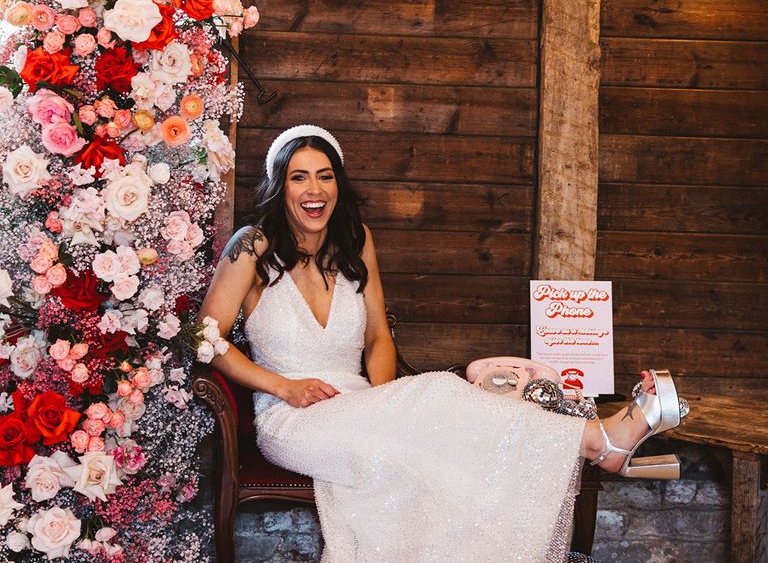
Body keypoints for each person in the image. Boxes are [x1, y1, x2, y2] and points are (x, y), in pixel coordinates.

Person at [199, 125, 683, 563]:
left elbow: (377, 336)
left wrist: (383, 399)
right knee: (436, 400)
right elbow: (206, 337)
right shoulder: (252, 245)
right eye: (299, 177)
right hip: (294, 417)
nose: (314, 190)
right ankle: (597, 439)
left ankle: (594, 443)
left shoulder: (354, 238)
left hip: (361, 401)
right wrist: (283, 387)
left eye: (325, 177)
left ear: (338, 185)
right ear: (280, 185)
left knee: (436, 424)